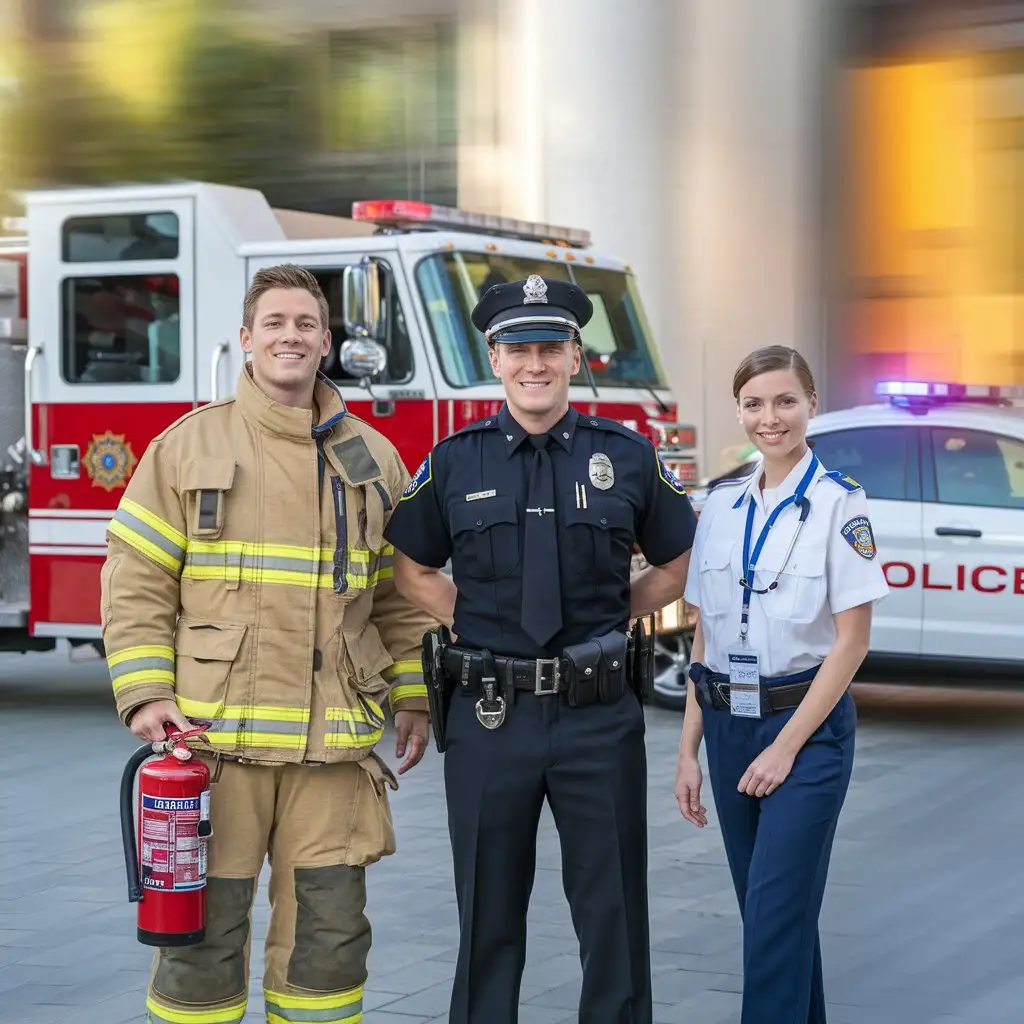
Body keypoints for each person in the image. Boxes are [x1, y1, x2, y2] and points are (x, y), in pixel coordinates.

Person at [101, 263, 435, 1024]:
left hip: (333, 758)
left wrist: (415, 693)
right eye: (275, 324)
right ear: (247, 340)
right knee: (199, 947)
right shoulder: (187, 447)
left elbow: (400, 595)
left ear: (326, 343)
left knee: (330, 945)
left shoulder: (375, 460)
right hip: (212, 747)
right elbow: (136, 580)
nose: (292, 336)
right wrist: (147, 693)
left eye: (306, 325)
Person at [383, 274, 698, 1024]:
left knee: (613, 910)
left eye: (550, 347)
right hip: (491, 717)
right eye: (518, 348)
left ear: (574, 356)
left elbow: (680, 561)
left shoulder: (624, 454)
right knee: (487, 915)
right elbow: (410, 569)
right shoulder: (455, 461)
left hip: (599, 717)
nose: (535, 364)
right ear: (493, 356)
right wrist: (474, 618)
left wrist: (604, 617)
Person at [674, 345, 889, 1023]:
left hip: (807, 733)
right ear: (739, 411)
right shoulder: (719, 506)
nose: (771, 418)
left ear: (812, 405)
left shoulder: (838, 507)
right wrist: (689, 749)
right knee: (773, 919)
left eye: (786, 401)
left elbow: (852, 643)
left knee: (771, 918)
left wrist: (786, 748)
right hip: (729, 727)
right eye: (755, 403)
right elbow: (704, 635)